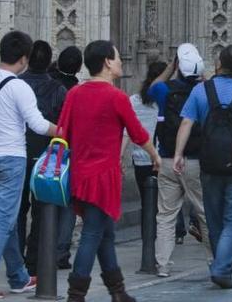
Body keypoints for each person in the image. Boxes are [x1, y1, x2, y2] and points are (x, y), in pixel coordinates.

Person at [59, 40, 160, 302]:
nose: (120, 62)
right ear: (106, 61)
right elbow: (138, 133)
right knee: (92, 234)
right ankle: (76, 294)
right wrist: (155, 155)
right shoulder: (116, 97)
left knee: (105, 234)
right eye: (117, 58)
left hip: (79, 174)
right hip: (103, 177)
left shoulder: (74, 94)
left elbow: (62, 132)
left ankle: (118, 291)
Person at [172, 45, 232, 289]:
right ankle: (222, 268)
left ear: (219, 64)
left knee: (213, 217)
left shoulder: (201, 91)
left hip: (210, 161)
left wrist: (178, 153)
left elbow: (186, 123)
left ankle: (219, 263)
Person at [0, 32, 58, 298]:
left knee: (7, 217)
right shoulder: (19, 86)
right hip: (11, 157)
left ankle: (18, 276)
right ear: (24, 58)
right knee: (4, 218)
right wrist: (63, 130)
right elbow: (37, 124)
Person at [149, 44, 211, 277]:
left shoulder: (165, 90)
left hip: (167, 158)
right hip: (195, 160)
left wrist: (170, 67)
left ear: (178, 67)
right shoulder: (204, 91)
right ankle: (213, 258)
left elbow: (153, 86)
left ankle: (162, 264)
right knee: (204, 211)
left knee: (165, 214)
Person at [18, 40, 67, 277]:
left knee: (16, 211)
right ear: (49, 62)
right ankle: (34, 263)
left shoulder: (15, 85)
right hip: (46, 160)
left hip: (18, 153)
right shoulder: (58, 90)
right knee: (42, 211)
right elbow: (65, 125)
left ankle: (16, 262)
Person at [120, 61, 165, 260]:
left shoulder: (134, 100)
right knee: (162, 205)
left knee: (147, 202)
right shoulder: (165, 100)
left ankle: (148, 240)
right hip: (161, 158)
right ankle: (158, 246)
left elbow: (126, 131)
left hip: (140, 159)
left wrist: (121, 155)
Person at [48, 45, 82, 268]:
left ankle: (42, 250)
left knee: (46, 199)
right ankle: (60, 253)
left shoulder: (50, 82)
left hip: (47, 150)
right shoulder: (75, 90)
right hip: (69, 151)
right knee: (68, 202)